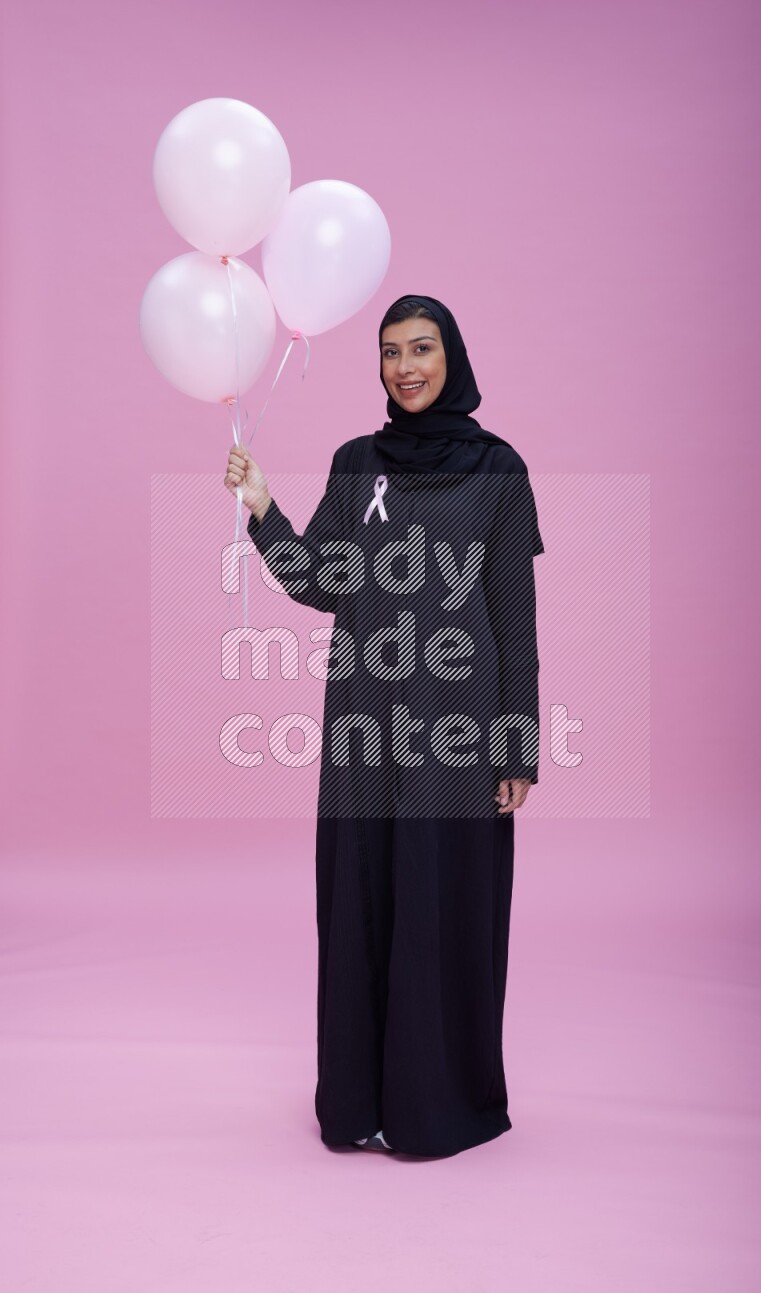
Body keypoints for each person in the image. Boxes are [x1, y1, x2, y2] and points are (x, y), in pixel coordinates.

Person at [225, 294, 544, 1158]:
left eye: (422, 348)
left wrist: (519, 748)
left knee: (442, 909)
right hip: (364, 731)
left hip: (457, 734)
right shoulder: (355, 461)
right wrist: (262, 507)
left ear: (453, 357)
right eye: (391, 351)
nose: (406, 367)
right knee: (363, 902)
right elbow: (320, 579)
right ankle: (361, 1100)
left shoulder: (499, 471)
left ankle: (438, 1106)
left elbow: (513, 618)